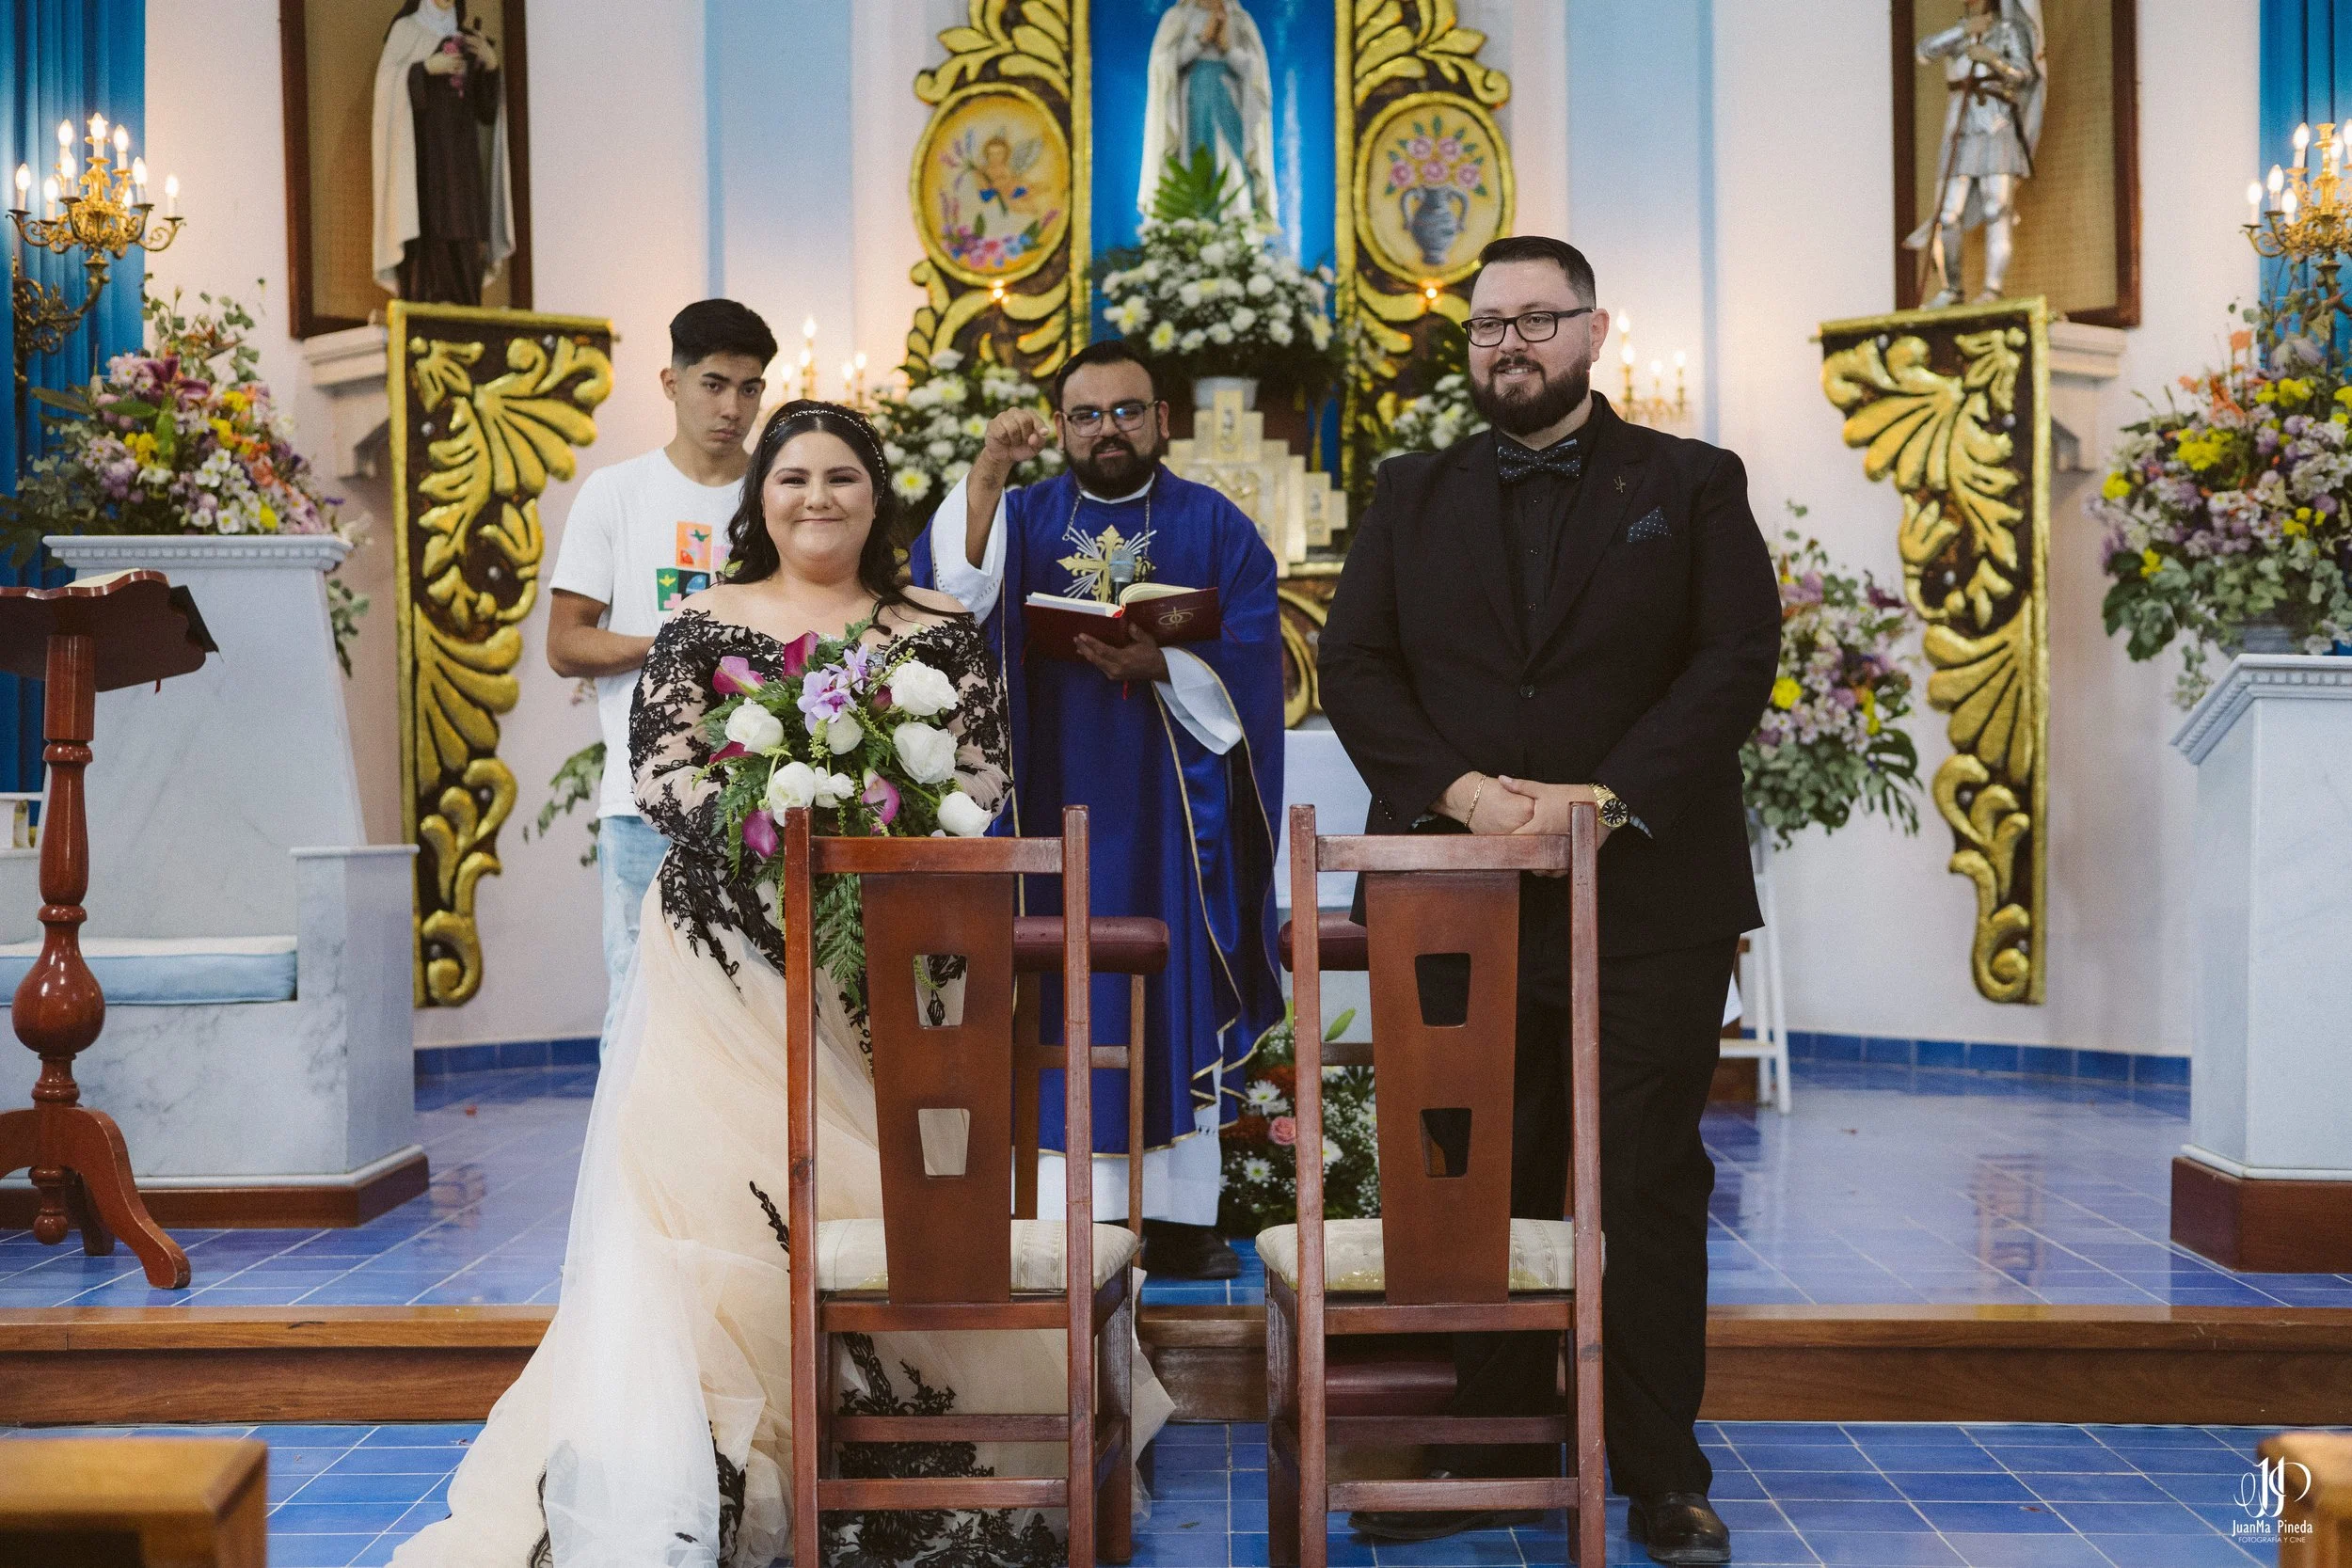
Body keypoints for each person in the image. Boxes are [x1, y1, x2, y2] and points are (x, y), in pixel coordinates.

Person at [394, 402, 1174, 1567]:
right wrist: (780, 837)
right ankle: (724, 1469)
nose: (818, 497)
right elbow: (663, 774)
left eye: (842, 477)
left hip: (896, 963)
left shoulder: (937, 625)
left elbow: (980, 776)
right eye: (793, 477)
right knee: (717, 1195)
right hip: (724, 958)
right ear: (758, 497)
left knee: (906, 1204)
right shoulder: (700, 620)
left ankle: (893, 1464)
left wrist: (865, 826)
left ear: (878, 495)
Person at [1317, 235, 1779, 1565]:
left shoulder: (1689, 481)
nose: (1508, 344)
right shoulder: (1411, 490)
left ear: (1594, 330)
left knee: (1644, 1174)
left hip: (1649, 894)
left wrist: (1606, 800)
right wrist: (1468, 797)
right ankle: (1490, 1444)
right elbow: (1354, 664)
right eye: (1486, 326)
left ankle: (1661, 1468)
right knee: (1477, 1168)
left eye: (1535, 319)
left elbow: (1735, 653)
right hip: (1457, 891)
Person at [911, 340, 1285, 1282]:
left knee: (1172, 977)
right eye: (1086, 415)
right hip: (1044, 791)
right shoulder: (1021, 513)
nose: (1107, 430)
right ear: (1060, 425)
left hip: (1172, 813)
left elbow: (1256, 652)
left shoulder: (1215, 525)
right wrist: (988, 471)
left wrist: (1167, 661)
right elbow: (946, 599)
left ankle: (1181, 1215)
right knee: (1055, 981)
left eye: (1126, 411)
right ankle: (1053, 1202)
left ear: (1162, 419)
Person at [548, 299, 775, 1053]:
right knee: (640, 1017)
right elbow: (565, 643)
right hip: (645, 797)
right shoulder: (616, 493)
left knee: (759, 1018)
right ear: (670, 383)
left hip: (768, 795)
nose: (732, 407)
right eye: (714, 384)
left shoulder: (779, 495)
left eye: (750, 387)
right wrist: (675, 645)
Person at [371, 0, 515, 305]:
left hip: (463, 166)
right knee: (428, 242)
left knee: (465, 241)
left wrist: (490, 65)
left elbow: (487, 113)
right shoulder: (406, 30)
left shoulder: (468, 39)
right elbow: (387, 89)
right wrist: (424, 68)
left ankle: (465, 311)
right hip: (424, 167)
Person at [1904, 0, 2046, 306]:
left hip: (1996, 124)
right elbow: (1924, 52)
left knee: (1998, 208)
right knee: (1947, 213)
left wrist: (1993, 60)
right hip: (1959, 124)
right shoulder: (1959, 32)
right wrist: (1963, 31)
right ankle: (1951, 289)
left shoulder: (2008, 29)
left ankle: (1993, 288)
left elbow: (2025, 74)